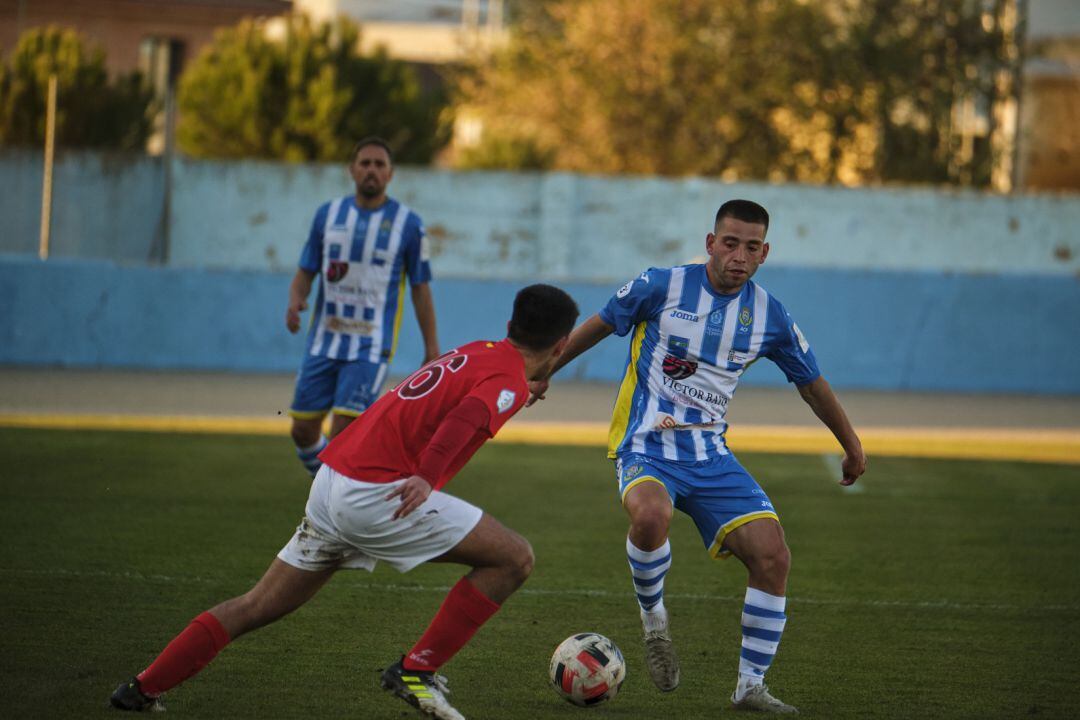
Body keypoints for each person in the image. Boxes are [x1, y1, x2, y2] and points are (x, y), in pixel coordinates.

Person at [110, 284, 580, 719]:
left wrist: (520, 388)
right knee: (514, 559)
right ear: (561, 346)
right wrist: (425, 476)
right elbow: (469, 415)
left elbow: (474, 391)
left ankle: (142, 687)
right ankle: (416, 670)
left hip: (333, 480)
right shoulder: (507, 383)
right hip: (379, 494)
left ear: (508, 327)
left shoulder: (481, 351)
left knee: (257, 604)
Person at [528, 199, 866, 714]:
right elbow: (600, 323)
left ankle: (749, 686)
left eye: (751, 247)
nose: (739, 255)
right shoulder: (660, 286)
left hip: (710, 455)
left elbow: (811, 383)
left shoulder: (768, 315)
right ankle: (655, 622)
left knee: (773, 556)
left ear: (764, 253)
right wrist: (546, 368)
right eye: (729, 243)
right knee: (649, 514)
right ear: (710, 243)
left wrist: (851, 442)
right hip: (646, 444)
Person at [285, 136, 440, 477]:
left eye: (379, 165)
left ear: (391, 174)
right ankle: (331, 489)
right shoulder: (328, 215)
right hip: (323, 341)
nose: (372, 170)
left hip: (370, 346)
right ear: (352, 170)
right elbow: (306, 269)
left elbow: (421, 288)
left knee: (343, 432)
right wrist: (296, 299)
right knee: (302, 431)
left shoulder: (409, 225)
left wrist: (432, 348)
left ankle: (333, 506)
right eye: (365, 163)